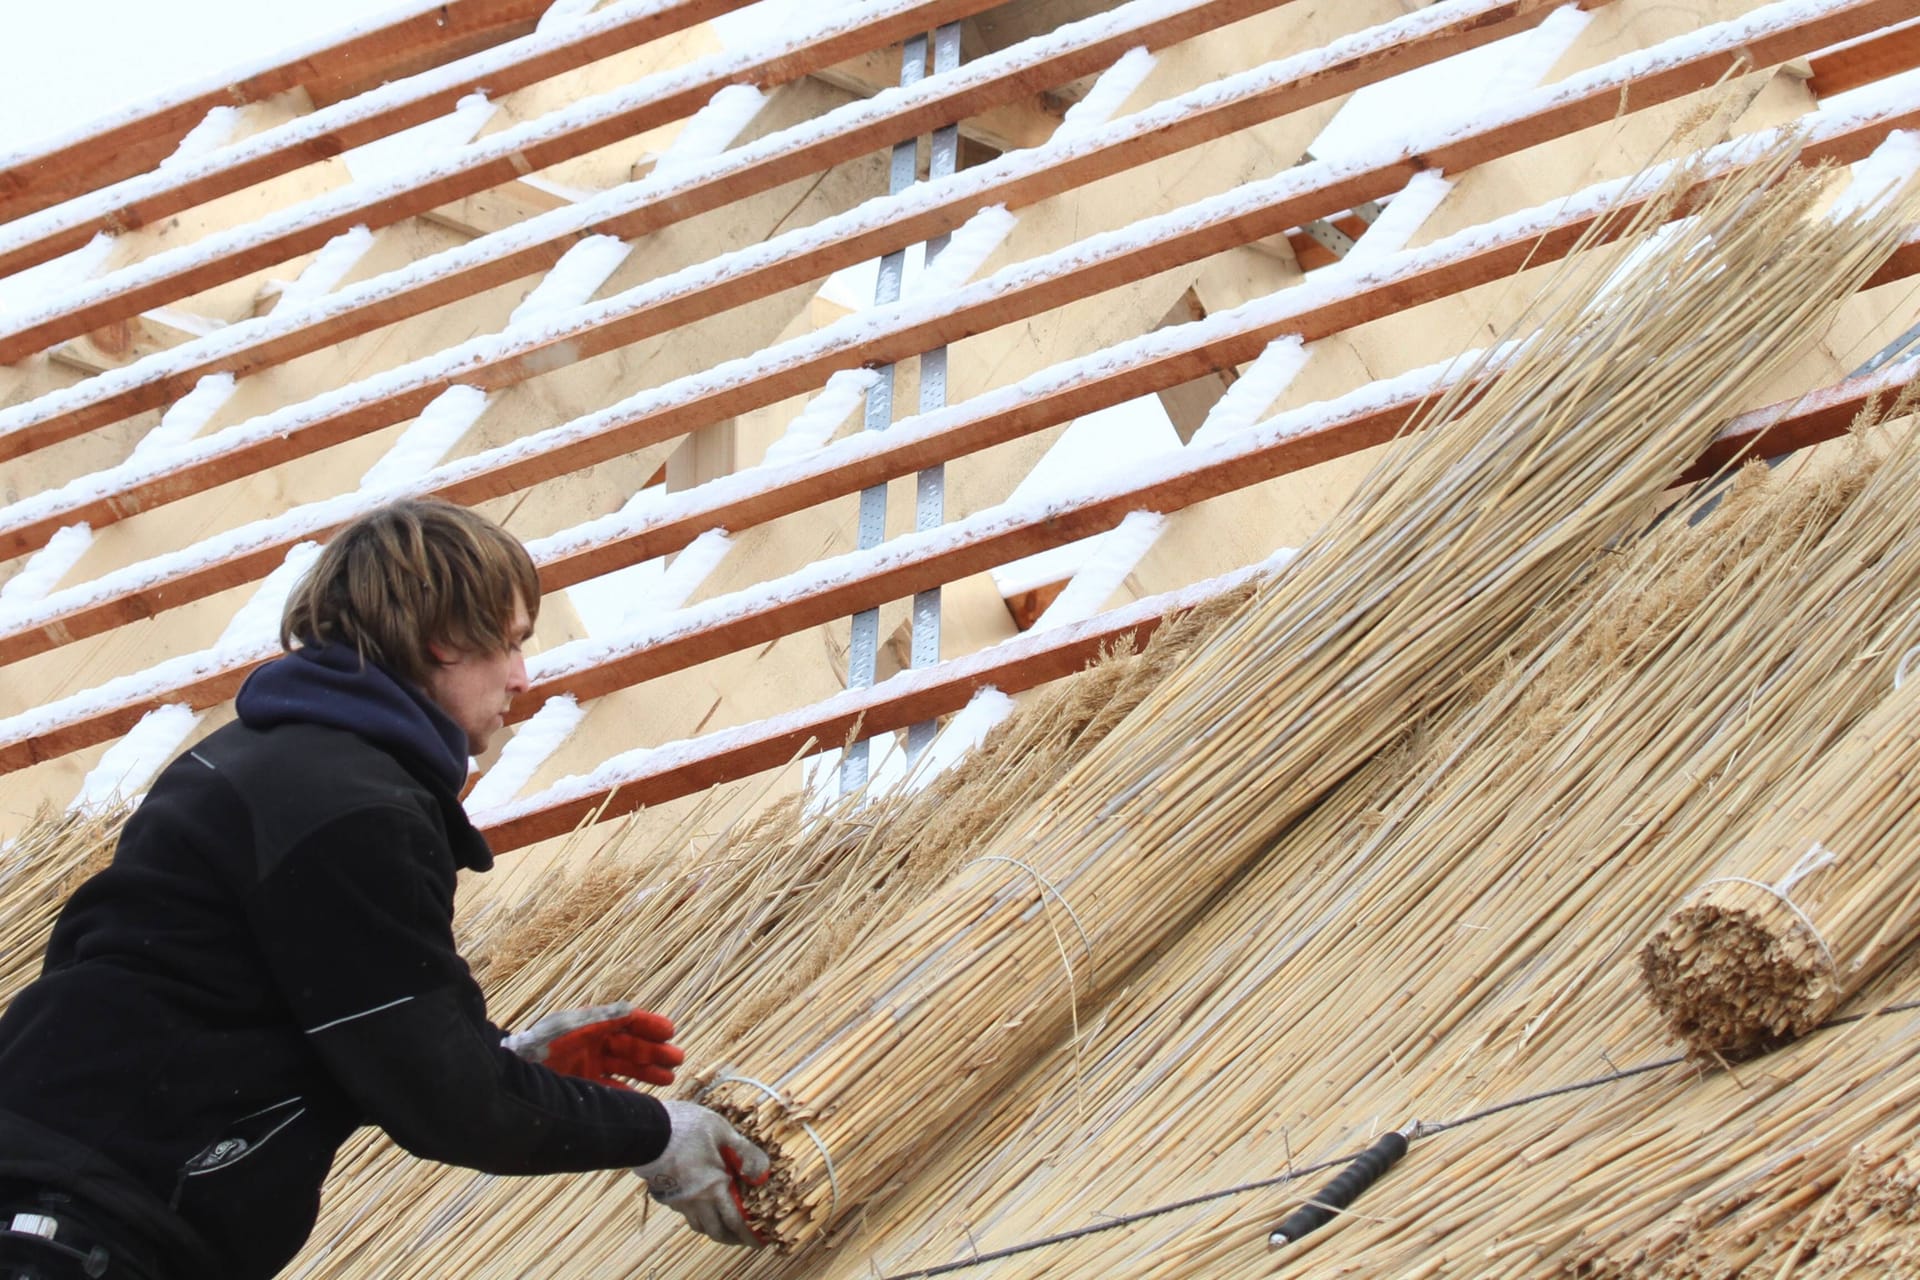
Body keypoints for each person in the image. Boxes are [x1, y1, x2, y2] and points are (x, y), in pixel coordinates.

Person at [0, 499, 767, 1280]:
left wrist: (503, 1055)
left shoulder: (255, 757)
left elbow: (241, 1005)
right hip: (80, 1239)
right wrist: (659, 1134)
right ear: (444, 637)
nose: (522, 677)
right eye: (509, 643)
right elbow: (452, 1104)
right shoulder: (350, 807)